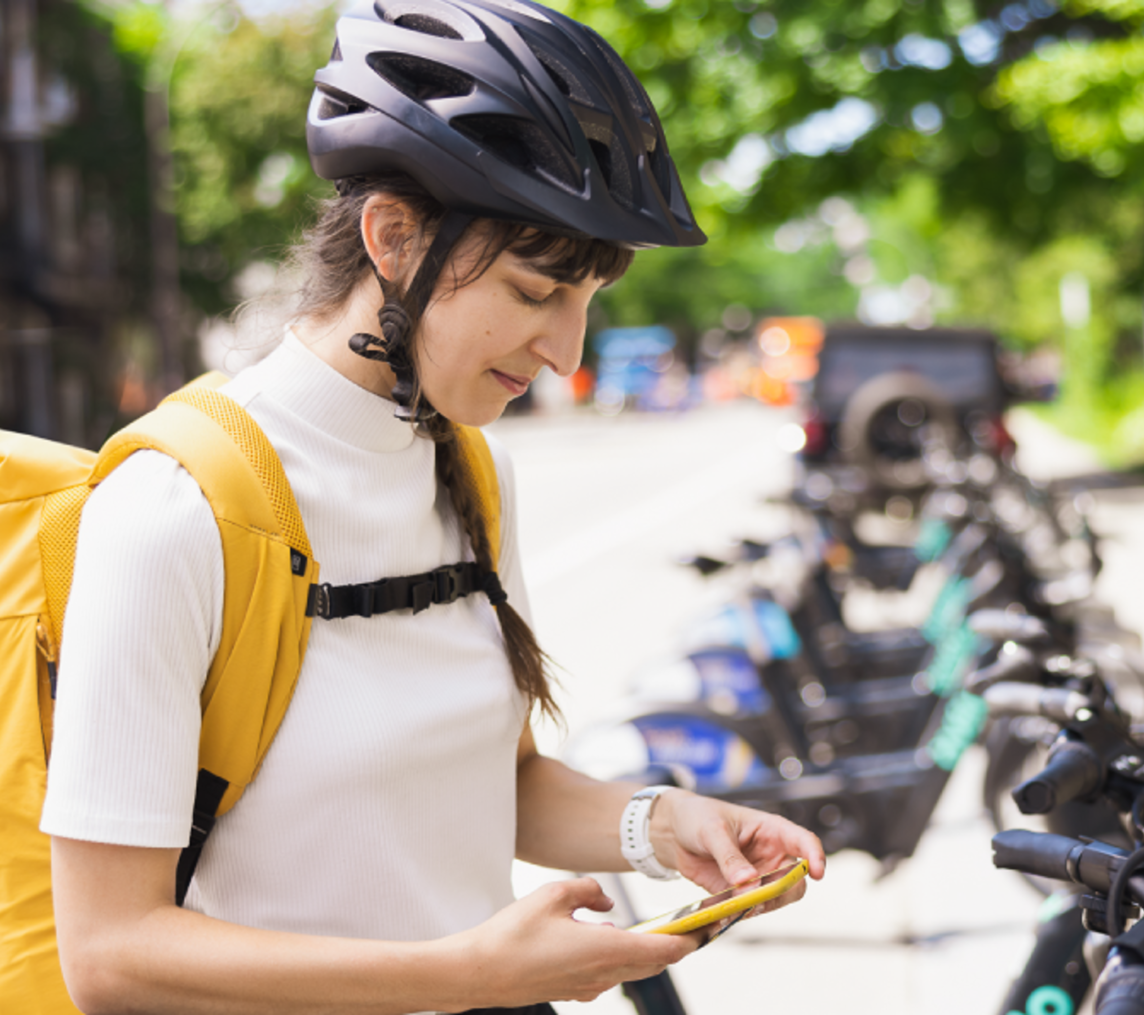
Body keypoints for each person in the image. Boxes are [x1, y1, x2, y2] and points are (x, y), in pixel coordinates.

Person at [41, 2, 825, 1012]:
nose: (566, 355)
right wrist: (465, 974)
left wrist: (662, 825)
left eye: (589, 301)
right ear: (395, 237)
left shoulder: (469, 471)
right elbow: (110, 955)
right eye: (537, 293)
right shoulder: (177, 507)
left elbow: (488, 787)